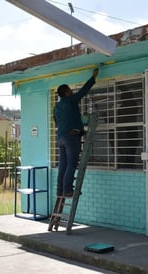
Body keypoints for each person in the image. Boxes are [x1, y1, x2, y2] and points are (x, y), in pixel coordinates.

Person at [54, 68, 99, 197]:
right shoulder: (71, 100)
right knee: (71, 164)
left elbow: (57, 121)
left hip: (60, 138)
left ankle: (60, 190)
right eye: (69, 90)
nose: (71, 91)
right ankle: (68, 190)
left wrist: (72, 123)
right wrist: (93, 78)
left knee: (63, 165)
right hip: (71, 137)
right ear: (67, 92)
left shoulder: (56, 107)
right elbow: (83, 91)